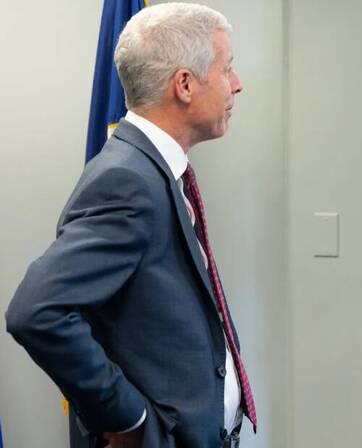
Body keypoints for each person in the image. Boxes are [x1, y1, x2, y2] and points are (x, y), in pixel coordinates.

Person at [6, 3, 255, 447]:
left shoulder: (153, 169)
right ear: (184, 85)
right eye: (226, 68)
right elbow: (36, 311)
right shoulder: (128, 180)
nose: (236, 83)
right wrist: (129, 419)